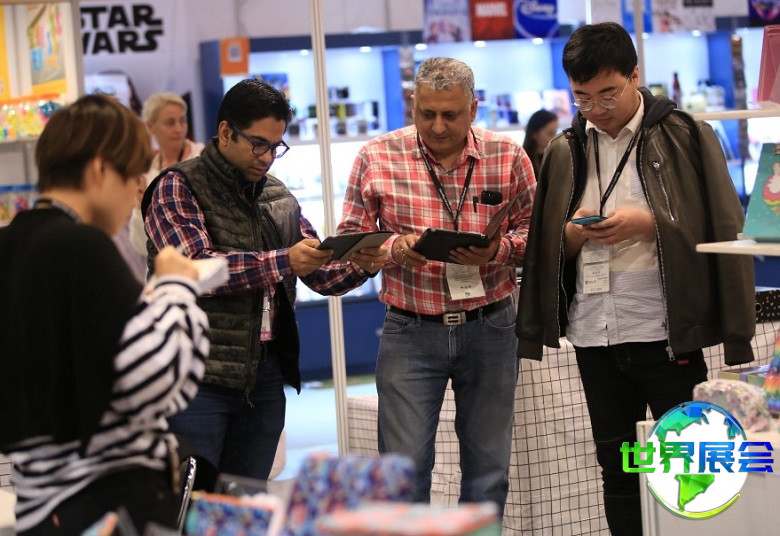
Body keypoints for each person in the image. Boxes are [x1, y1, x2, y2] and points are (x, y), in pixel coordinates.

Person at [514, 22, 755, 535]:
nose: (596, 109)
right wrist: (572, 236)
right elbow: (545, 248)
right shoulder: (565, 149)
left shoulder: (685, 134)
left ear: (634, 76)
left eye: (608, 94)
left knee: (690, 469)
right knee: (619, 470)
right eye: (582, 97)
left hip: (667, 334)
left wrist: (650, 225)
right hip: (594, 335)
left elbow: (724, 228)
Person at [142, 79, 372, 481]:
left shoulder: (276, 195)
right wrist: (284, 260)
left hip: (264, 376)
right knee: (192, 501)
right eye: (258, 144)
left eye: (276, 146)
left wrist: (366, 260)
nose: (267, 158)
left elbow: (319, 273)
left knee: (247, 500)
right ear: (226, 132)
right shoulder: (177, 185)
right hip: (198, 378)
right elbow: (196, 269)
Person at [0, 94, 210, 534]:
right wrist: (177, 288)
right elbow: (157, 379)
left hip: (40, 505)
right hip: (110, 502)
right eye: (132, 175)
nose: (137, 192)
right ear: (99, 170)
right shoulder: (83, 247)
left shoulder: (11, 246)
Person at [337, 57, 536, 515]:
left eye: (451, 114)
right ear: (413, 105)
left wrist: (499, 250)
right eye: (427, 114)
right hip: (409, 329)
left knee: (488, 472)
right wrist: (393, 248)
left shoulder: (507, 155)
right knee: (403, 474)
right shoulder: (376, 156)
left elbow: (538, 235)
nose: (438, 126)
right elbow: (351, 238)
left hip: (490, 326)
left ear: (473, 109)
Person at [116, 92, 205, 282]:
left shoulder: (203, 160)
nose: (179, 129)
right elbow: (140, 245)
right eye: (170, 123)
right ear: (150, 126)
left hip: (202, 267)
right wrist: (141, 207)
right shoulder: (146, 174)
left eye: (182, 121)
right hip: (162, 275)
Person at [522, 109, 558, 177]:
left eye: (555, 132)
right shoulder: (524, 161)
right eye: (550, 133)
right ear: (535, 134)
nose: (554, 137)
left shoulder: (552, 155)